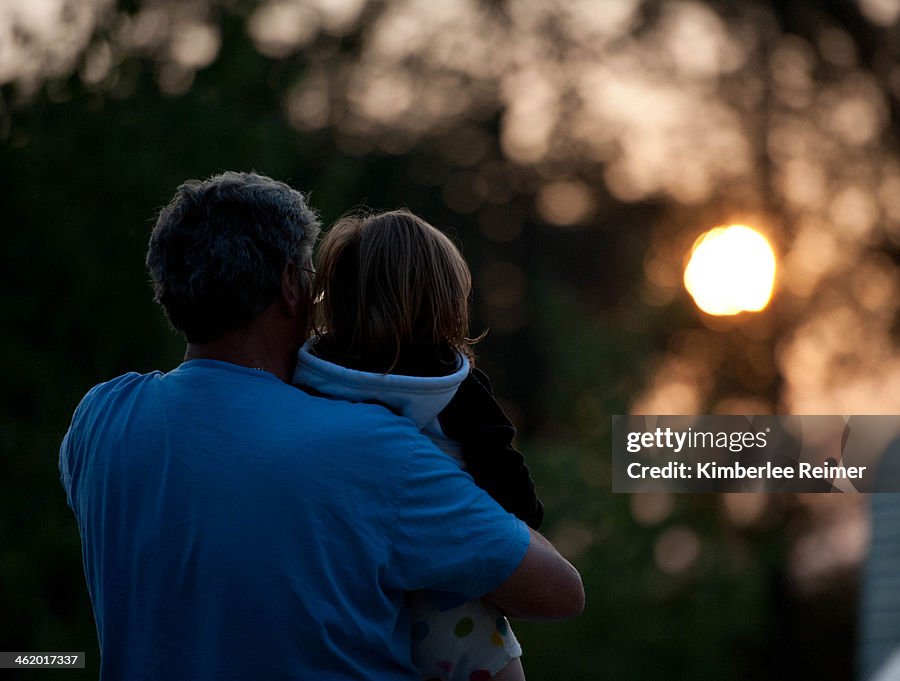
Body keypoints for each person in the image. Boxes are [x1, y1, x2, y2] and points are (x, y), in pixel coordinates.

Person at [58, 172, 583, 681]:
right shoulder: (369, 445)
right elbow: (559, 591)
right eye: (311, 279)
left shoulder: (101, 420)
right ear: (289, 285)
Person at [292, 209, 543, 681]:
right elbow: (519, 506)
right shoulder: (459, 391)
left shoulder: (306, 381)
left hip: (342, 597)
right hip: (451, 611)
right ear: (444, 301)